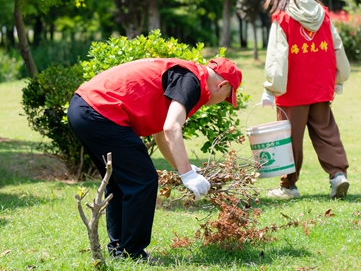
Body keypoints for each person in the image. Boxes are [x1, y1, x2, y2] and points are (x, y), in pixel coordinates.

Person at [67, 57, 242, 261]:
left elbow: (161, 133)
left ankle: (120, 250)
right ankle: (131, 254)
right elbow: (171, 128)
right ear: (222, 85)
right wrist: (186, 174)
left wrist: (182, 168)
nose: (222, 101)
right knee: (143, 180)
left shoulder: (188, 75)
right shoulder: (193, 81)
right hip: (100, 112)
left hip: (83, 108)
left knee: (121, 182)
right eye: (227, 96)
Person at [261, 0, 351, 200]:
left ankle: (288, 186)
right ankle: (337, 175)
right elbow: (336, 47)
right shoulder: (323, 13)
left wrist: (271, 89)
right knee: (326, 132)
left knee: (289, 138)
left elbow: (276, 57)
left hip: (292, 90)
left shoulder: (282, 17)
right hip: (321, 86)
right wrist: (339, 77)